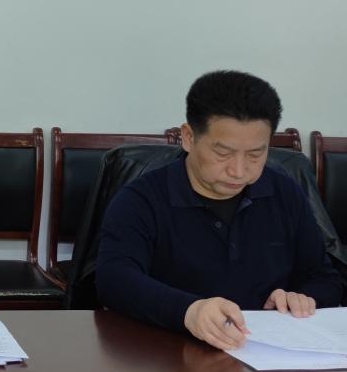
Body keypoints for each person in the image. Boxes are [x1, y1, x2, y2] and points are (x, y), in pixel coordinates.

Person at [97, 70, 342, 350]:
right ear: (188, 137)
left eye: (255, 154)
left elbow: (324, 278)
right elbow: (114, 279)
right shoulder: (141, 199)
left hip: (264, 353)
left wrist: (303, 298)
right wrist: (189, 311)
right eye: (222, 153)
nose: (238, 171)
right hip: (169, 354)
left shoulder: (284, 192)